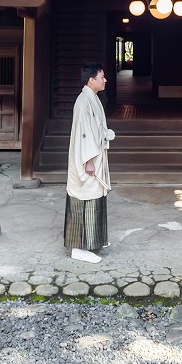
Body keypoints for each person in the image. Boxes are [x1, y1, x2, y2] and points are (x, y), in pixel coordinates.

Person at [64, 61, 114, 263]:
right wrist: (89, 161)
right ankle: (78, 247)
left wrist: (105, 134)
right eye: (102, 77)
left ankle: (94, 240)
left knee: (94, 198)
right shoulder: (84, 101)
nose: (105, 80)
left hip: (94, 156)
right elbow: (84, 134)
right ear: (91, 80)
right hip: (88, 159)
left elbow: (94, 128)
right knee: (84, 199)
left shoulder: (90, 97)